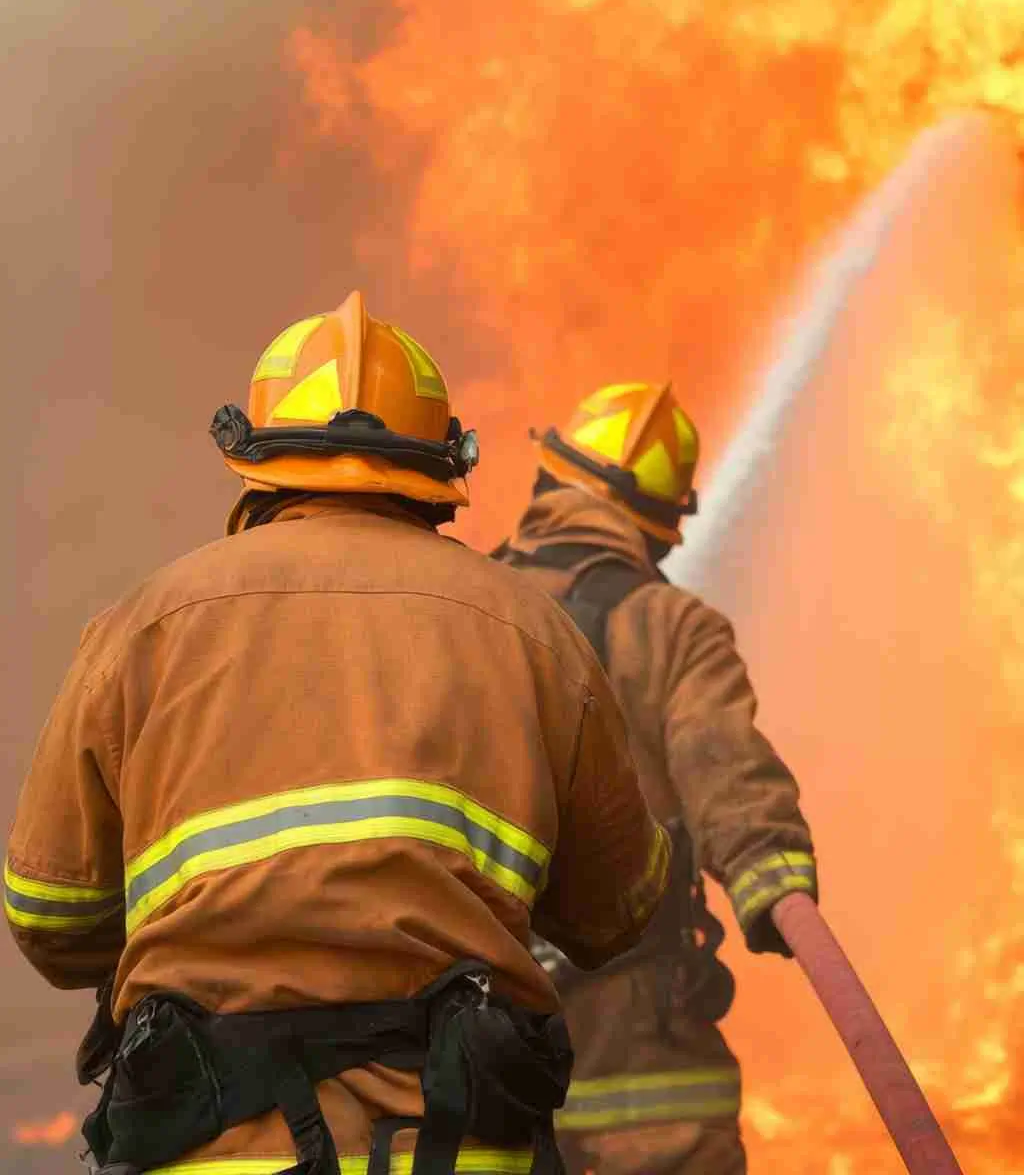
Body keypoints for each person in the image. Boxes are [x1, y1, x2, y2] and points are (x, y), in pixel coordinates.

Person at [5, 297, 673, 1175]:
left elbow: (49, 916)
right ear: (441, 466)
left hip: (217, 1150)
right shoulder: (534, 632)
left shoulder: (143, 628)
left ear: (254, 459)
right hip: (460, 1147)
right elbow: (616, 911)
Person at [492, 382, 819, 1175]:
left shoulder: (447, 609)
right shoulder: (671, 626)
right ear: (663, 529)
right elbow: (726, 769)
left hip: (464, 1007)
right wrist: (776, 881)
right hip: (631, 1019)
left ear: (548, 483)